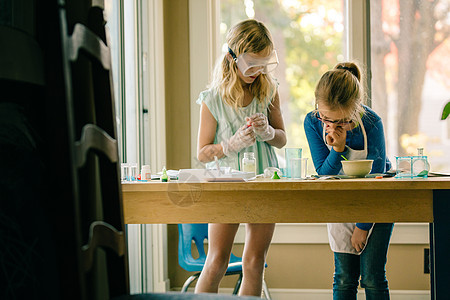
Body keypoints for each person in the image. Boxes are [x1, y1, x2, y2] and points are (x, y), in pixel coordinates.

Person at [194, 19, 286, 296]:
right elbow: (202, 153)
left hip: (264, 181)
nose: (257, 72)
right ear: (233, 58)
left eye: (263, 65)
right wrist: (229, 146)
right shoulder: (213, 99)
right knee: (217, 261)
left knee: (254, 262)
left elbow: (282, 140)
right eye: (251, 65)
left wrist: (269, 132)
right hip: (227, 184)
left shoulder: (268, 90)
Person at [304, 62, 393, 300]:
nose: (331, 125)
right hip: (340, 203)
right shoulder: (313, 122)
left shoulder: (372, 123)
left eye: (341, 121)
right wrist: (338, 149)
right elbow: (324, 174)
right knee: (344, 278)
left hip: (376, 203)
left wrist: (362, 228)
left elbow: (377, 179)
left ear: (355, 110)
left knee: (373, 277)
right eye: (326, 118)